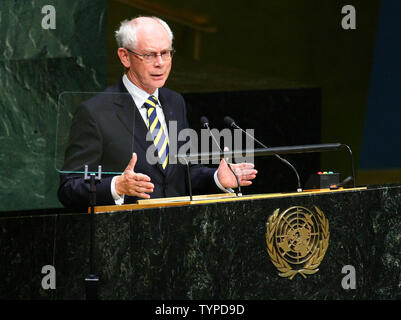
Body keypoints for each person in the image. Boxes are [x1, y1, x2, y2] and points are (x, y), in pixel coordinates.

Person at [58, 16, 257, 209]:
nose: (160, 63)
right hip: (124, 235)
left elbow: (181, 175)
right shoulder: (95, 112)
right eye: (149, 55)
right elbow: (69, 189)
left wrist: (217, 179)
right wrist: (116, 186)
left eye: (166, 53)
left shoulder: (174, 102)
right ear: (125, 57)